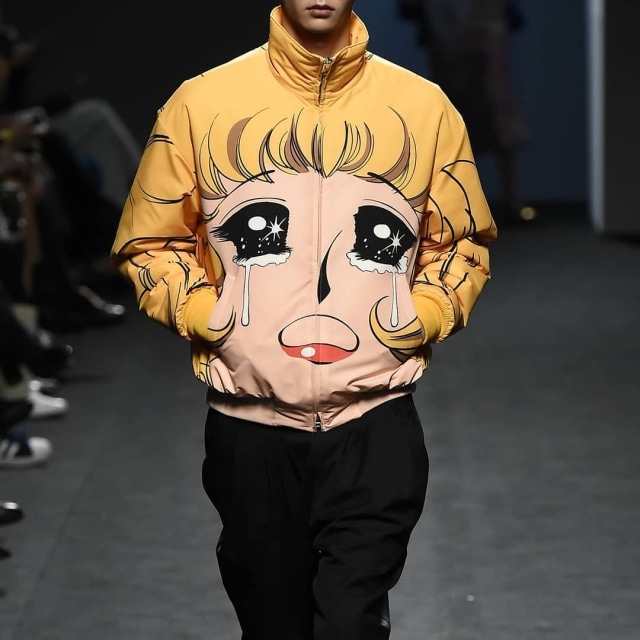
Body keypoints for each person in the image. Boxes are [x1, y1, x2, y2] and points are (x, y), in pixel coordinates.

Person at [111, 2, 497, 638]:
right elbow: (151, 241)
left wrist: (423, 313)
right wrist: (211, 316)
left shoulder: (424, 106)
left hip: (374, 419)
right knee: (273, 625)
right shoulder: (200, 102)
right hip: (250, 427)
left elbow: (458, 242)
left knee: (349, 622)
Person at [399, 0, 534, 223]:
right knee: (455, 118)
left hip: (483, 32)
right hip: (448, 35)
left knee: (497, 112)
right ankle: (461, 204)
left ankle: (506, 201)